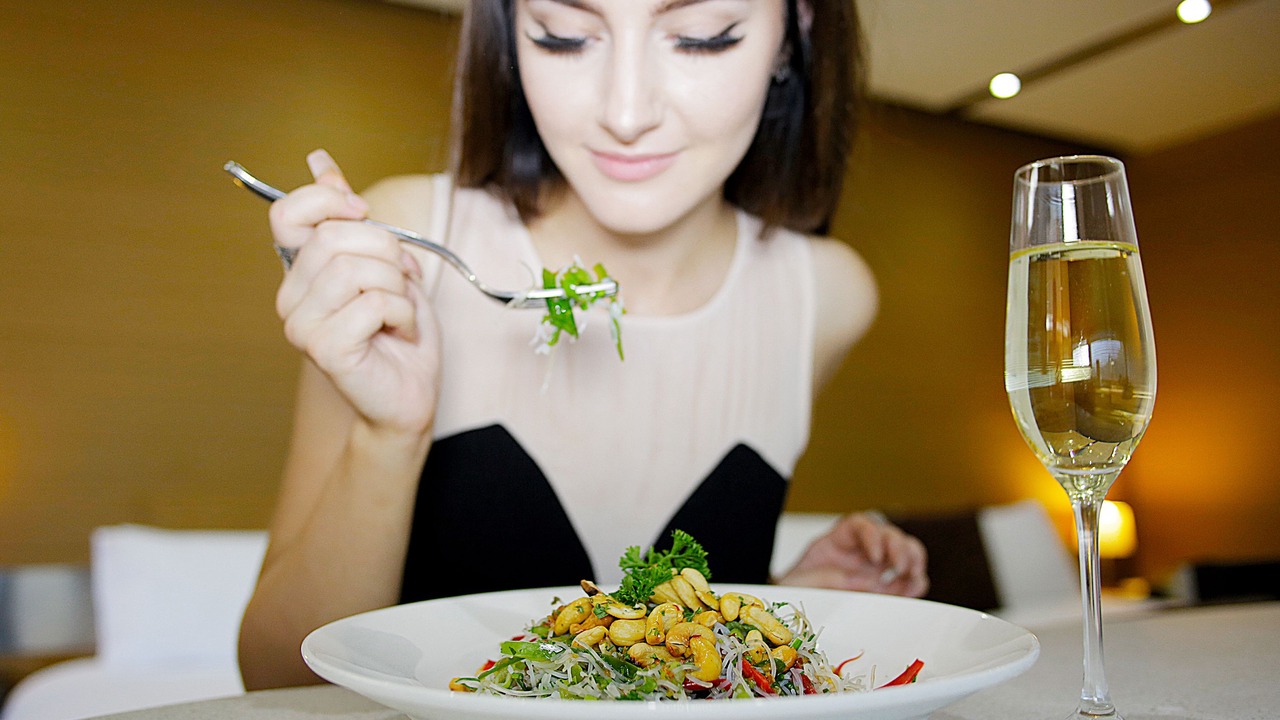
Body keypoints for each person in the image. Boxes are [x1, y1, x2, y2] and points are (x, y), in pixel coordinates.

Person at [238, 0, 928, 690]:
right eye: (563, 37)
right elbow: (274, 678)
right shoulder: (411, 245)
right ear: (510, 30)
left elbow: (633, 656)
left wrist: (774, 597)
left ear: (795, 30)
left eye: (701, 38)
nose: (625, 114)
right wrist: (386, 438)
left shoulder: (826, 297)